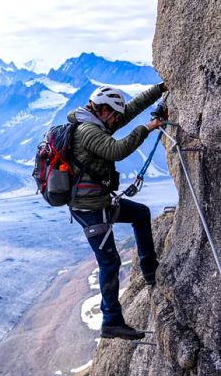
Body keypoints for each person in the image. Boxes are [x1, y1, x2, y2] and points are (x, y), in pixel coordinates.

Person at [68, 82, 168, 340]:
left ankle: (150, 271)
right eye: (112, 114)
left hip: (99, 202)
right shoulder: (87, 131)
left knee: (140, 213)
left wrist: (160, 89)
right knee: (109, 262)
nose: (115, 119)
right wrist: (147, 128)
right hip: (90, 208)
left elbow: (130, 110)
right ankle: (111, 322)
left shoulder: (98, 121)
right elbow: (117, 150)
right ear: (102, 110)